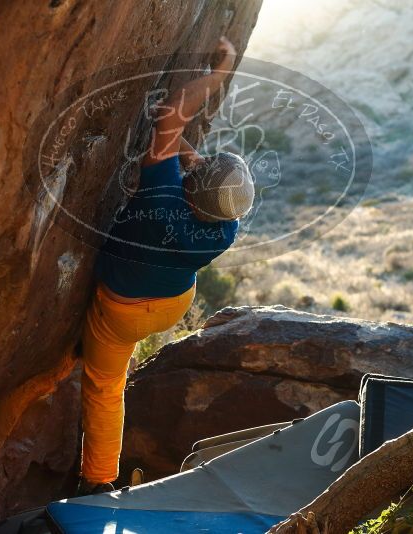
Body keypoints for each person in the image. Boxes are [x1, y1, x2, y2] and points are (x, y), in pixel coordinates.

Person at [75, 37, 255, 496]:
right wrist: (192, 162)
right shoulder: (224, 229)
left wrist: (217, 75)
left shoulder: (161, 194)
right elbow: (200, 191)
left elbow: (170, 114)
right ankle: (98, 481)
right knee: (116, 368)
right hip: (171, 303)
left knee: (104, 385)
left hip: (121, 309)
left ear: (190, 188)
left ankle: (97, 479)